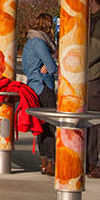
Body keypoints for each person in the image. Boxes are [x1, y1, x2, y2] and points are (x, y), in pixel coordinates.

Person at [21, 12, 58, 176]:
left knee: (41, 125)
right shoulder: (40, 43)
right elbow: (52, 68)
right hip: (43, 86)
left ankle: (43, 161)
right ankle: (51, 161)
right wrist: (50, 62)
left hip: (33, 86)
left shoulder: (30, 42)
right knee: (50, 124)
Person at [88, 0, 100, 178]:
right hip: (90, 75)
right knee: (90, 121)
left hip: (95, 75)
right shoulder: (94, 20)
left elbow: (95, 49)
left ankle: (98, 162)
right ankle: (90, 160)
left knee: (98, 121)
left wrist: (76, 59)